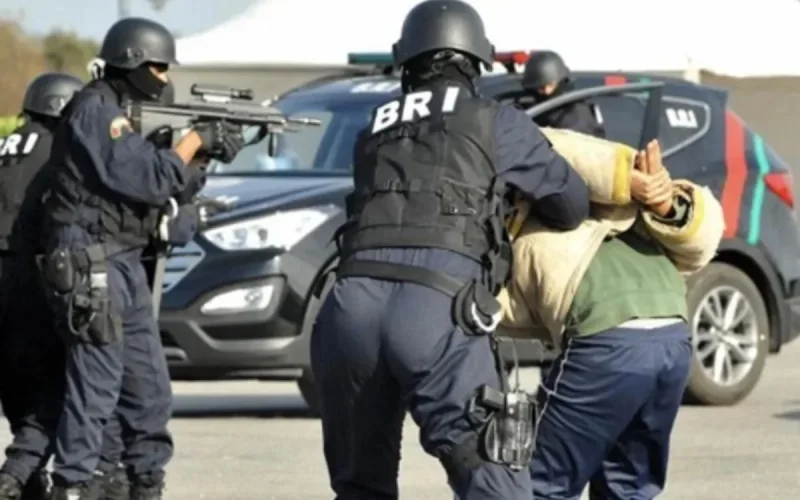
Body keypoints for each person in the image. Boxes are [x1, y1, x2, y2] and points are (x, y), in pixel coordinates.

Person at [310, 1, 591, 498]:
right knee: (491, 479)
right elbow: (570, 204)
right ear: (474, 62)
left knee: (360, 486)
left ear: (407, 62)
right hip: (436, 309)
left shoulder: (371, 127)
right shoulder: (494, 119)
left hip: (348, 311)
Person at [38, 17, 245, 500]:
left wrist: (200, 158)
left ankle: (142, 482)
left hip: (123, 262)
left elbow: (163, 187)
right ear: (131, 60)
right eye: (157, 66)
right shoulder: (95, 108)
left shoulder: (122, 116)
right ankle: (74, 485)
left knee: (148, 390)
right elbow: (143, 176)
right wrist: (192, 141)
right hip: (93, 263)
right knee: (97, 388)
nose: (163, 76)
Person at [498, 132, 724, 498]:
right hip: (673, 336)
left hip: (606, 339)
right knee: (628, 488)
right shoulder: (618, 206)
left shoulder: (527, 208)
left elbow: (507, 313)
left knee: (536, 485)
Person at [0, 73, 83, 500]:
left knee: (15, 388)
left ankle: (27, 482)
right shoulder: (59, 152)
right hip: (30, 281)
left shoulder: (6, 146)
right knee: (51, 394)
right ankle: (14, 475)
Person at [522, 50, 605, 138]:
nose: (546, 91)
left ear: (560, 81)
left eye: (550, 85)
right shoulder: (535, 111)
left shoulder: (574, 116)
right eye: (540, 88)